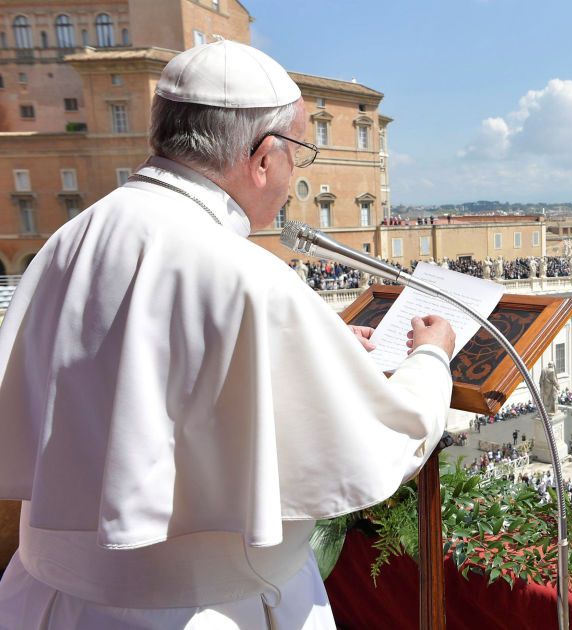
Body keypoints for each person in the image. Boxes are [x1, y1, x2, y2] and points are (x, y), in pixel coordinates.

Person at [0, 41, 456, 629]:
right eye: (299, 154)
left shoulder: (73, 238)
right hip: (208, 611)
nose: (294, 176)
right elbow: (383, 438)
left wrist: (324, 353)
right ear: (264, 157)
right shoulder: (247, 274)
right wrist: (430, 359)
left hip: (48, 603)